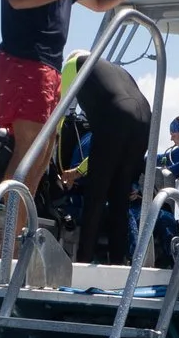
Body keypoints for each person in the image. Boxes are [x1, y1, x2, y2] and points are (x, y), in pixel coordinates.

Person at [0, 0, 150, 193]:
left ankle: (14, 224)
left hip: (49, 67)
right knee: (31, 149)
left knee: (42, 155)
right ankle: (5, 224)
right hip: (24, 59)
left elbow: (99, 1)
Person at [60, 50, 152, 265]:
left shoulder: (74, 63)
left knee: (96, 197)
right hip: (145, 119)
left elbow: (59, 112)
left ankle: (82, 262)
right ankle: (118, 264)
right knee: (120, 199)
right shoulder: (116, 71)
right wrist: (79, 171)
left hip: (116, 115)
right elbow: (107, 151)